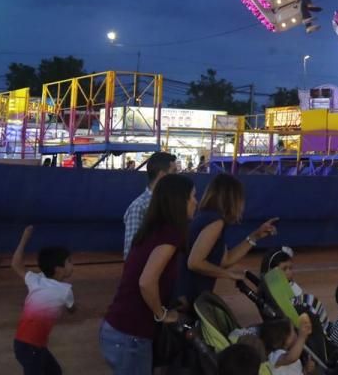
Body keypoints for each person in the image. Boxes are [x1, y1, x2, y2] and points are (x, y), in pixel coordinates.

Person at [100, 174, 196, 373]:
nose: (196, 202)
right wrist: (162, 314)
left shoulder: (154, 229)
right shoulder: (170, 234)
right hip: (131, 335)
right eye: (193, 197)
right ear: (179, 201)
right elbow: (146, 282)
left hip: (120, 329)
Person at [184, 173, 278, 305]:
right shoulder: (215, 222)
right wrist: (228, 275)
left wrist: (255, 236)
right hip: (190, 291)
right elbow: (194, 262)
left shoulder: (208, 218)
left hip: (195, 291)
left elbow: (225, 260)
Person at [11, 225, 75, 374]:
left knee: (54, 372)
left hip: (26, 344)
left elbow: (15, 264)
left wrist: (24, 238)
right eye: (69, 261)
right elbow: (72, 309)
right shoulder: (65, 291)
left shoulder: (35, 280)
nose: (73, 265)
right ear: (59, 269)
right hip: (32, 347)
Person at [123, 152, 179, 259]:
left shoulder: (171, 204)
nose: (177, 175)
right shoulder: (139, 207)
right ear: (162, 175)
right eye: (174, 171)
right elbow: (131, 253)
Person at [261, 246, 330, 333]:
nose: (289, 272)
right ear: (273, 271)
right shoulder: (278, 290)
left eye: (290, 268)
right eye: (284, 269)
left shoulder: (290, 286)